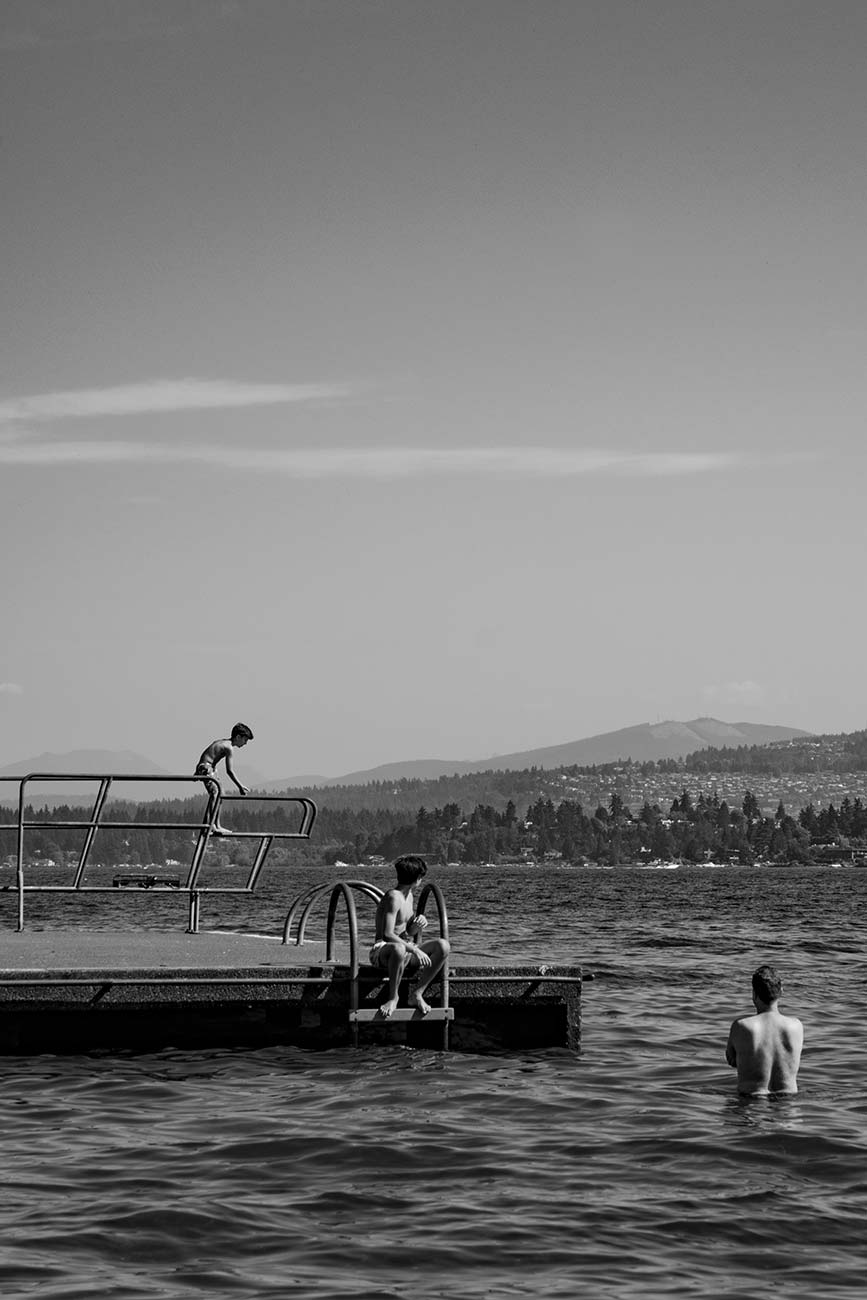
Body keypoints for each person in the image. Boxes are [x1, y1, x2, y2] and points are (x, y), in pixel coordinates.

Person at [369, 855, 450, 1019]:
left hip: (405, 948)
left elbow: (407, 932)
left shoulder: (410, 896)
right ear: (417, 878)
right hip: (383, 950)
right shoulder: (393, 897)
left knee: (443, 946)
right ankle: (393, 997)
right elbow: (388, 934)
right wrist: (414, 949)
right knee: (399, 948)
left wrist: (418, 924)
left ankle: (417, 993)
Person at [725, 964, 804, 1095]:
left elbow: (732, 1060)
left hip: (751, 1101)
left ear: (754, 994)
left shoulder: (741, 1026)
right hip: (788, 1102)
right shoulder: (796, 1026)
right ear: (781, 991)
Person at [194, 723, 254, 835]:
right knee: (216, 793)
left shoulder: (223, 742)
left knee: (220, 794)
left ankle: (213, 825)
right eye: (245, 740)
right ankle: (212, 826)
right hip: (206, 767)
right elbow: (229, 771)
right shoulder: (229, 747)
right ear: (238, 737)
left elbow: (209, 752)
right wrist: (240, 786)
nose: (245, 743)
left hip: (207, 767)